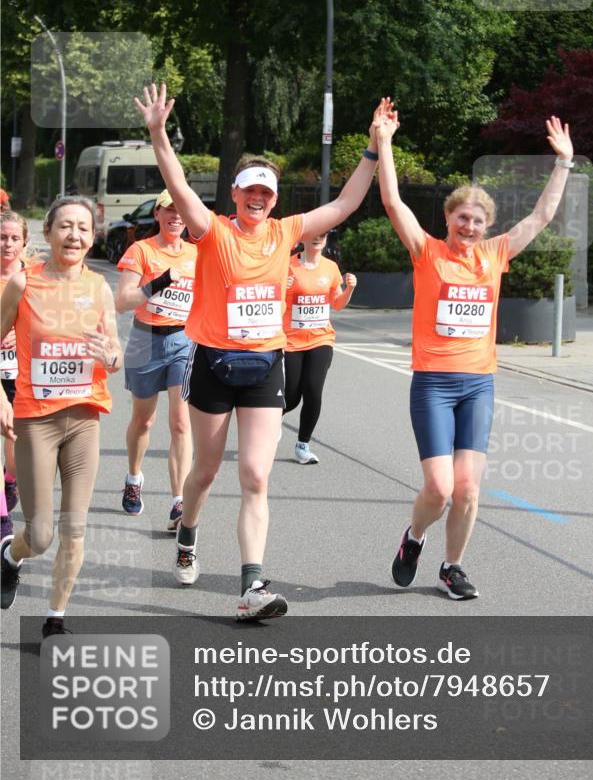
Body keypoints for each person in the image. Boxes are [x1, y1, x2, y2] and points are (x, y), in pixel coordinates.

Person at [134, 83, 393, 620]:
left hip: (265, 364)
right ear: (235, 193)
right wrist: (158, 133)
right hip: (212, 362)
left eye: (267, 193)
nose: (258, 198)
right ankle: (188, 533)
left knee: (255, 475)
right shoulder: (212, 231)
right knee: (205, 472)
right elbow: (178, 185)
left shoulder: (286, 232)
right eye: (250, 190)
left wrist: (374, 146)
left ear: (274, 199)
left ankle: (252, 584)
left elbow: (345, 204)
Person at [375, 111, 575, 600]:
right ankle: (414, 538)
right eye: (462, 218)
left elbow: (541, 217)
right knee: (440, 489)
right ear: (448, 219)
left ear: (487, 227)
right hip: (434, 384)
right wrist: (384, 143)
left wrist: (564, 163)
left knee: (467, 489)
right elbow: (393, 201)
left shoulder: (495, 255)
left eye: (478, 220)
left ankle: (452, 567)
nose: (469, 226)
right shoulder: (427, 251)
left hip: (478, 384)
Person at [0, 197, 122, 637]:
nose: (75, 235)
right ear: (48, 233)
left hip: (85, 419)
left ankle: (55, 618)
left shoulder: (99, 287)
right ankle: (10, 556)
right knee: (41, 535)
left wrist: (109, 355)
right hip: (36, 420)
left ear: (93, 237)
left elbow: (115, 355)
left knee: (75, 527)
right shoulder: (23, 283)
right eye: (66, 226)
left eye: (84, 228)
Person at [115, 189, 195, 531]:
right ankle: (134, 477)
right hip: (145, 339)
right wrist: (160, 282)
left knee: (181, 422)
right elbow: (122, 302)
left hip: (183, 341)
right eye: (169, 210)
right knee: (144, 420)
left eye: (181, 211)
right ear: (158, 214)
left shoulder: (197, 254)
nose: (176, 217)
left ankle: (180, 502)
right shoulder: (142, 250)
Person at [283, 233, 357, 464]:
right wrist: (282, 290)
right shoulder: (288, 265)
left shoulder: (330, 267)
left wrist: (349, 290)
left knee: (313, 391)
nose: (318, 238)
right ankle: (269, 419)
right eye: (313, 235)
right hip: (291, 341)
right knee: (291, 397)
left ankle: (302, 445)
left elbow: (337, 304)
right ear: (303, 238)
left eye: (322, 235)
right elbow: (275, 305)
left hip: (321, 339)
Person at [0, 211, 30, 539]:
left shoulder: (32, 278)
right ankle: (2, 521)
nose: (7, 244)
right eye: (2, 237)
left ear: (24, 242)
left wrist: (16, 330)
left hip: (19, 376)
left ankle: (10, 481)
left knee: (14, 447)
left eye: (13, 238)